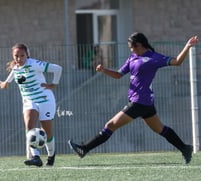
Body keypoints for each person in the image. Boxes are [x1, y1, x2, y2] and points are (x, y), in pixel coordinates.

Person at [68, 32, 198, 164]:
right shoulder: (132, 58)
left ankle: (84, 149)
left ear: (139, 45)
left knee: (110, 125)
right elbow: (119, 74)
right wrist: (104, 70)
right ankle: (185, 148)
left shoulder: (154, 58)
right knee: (160, 129)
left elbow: (177, 62)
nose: (131, 50)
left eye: (132, 47)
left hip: (140, 102)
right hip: (144, 103)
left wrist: (187, 46)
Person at [0, 43, 62, 167]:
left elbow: (58, 68)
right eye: (16, 56)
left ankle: (51, 156)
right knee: (29, 126)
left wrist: (54, 84)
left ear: (27, 55)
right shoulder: (16, 67)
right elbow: (15, 72)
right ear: (13, 56)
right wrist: (6, 82)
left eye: (22, 56)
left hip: (45, 100)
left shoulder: (34, 64)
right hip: (29, 101)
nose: (19, 59)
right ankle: (36, 157)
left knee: (47, 132)